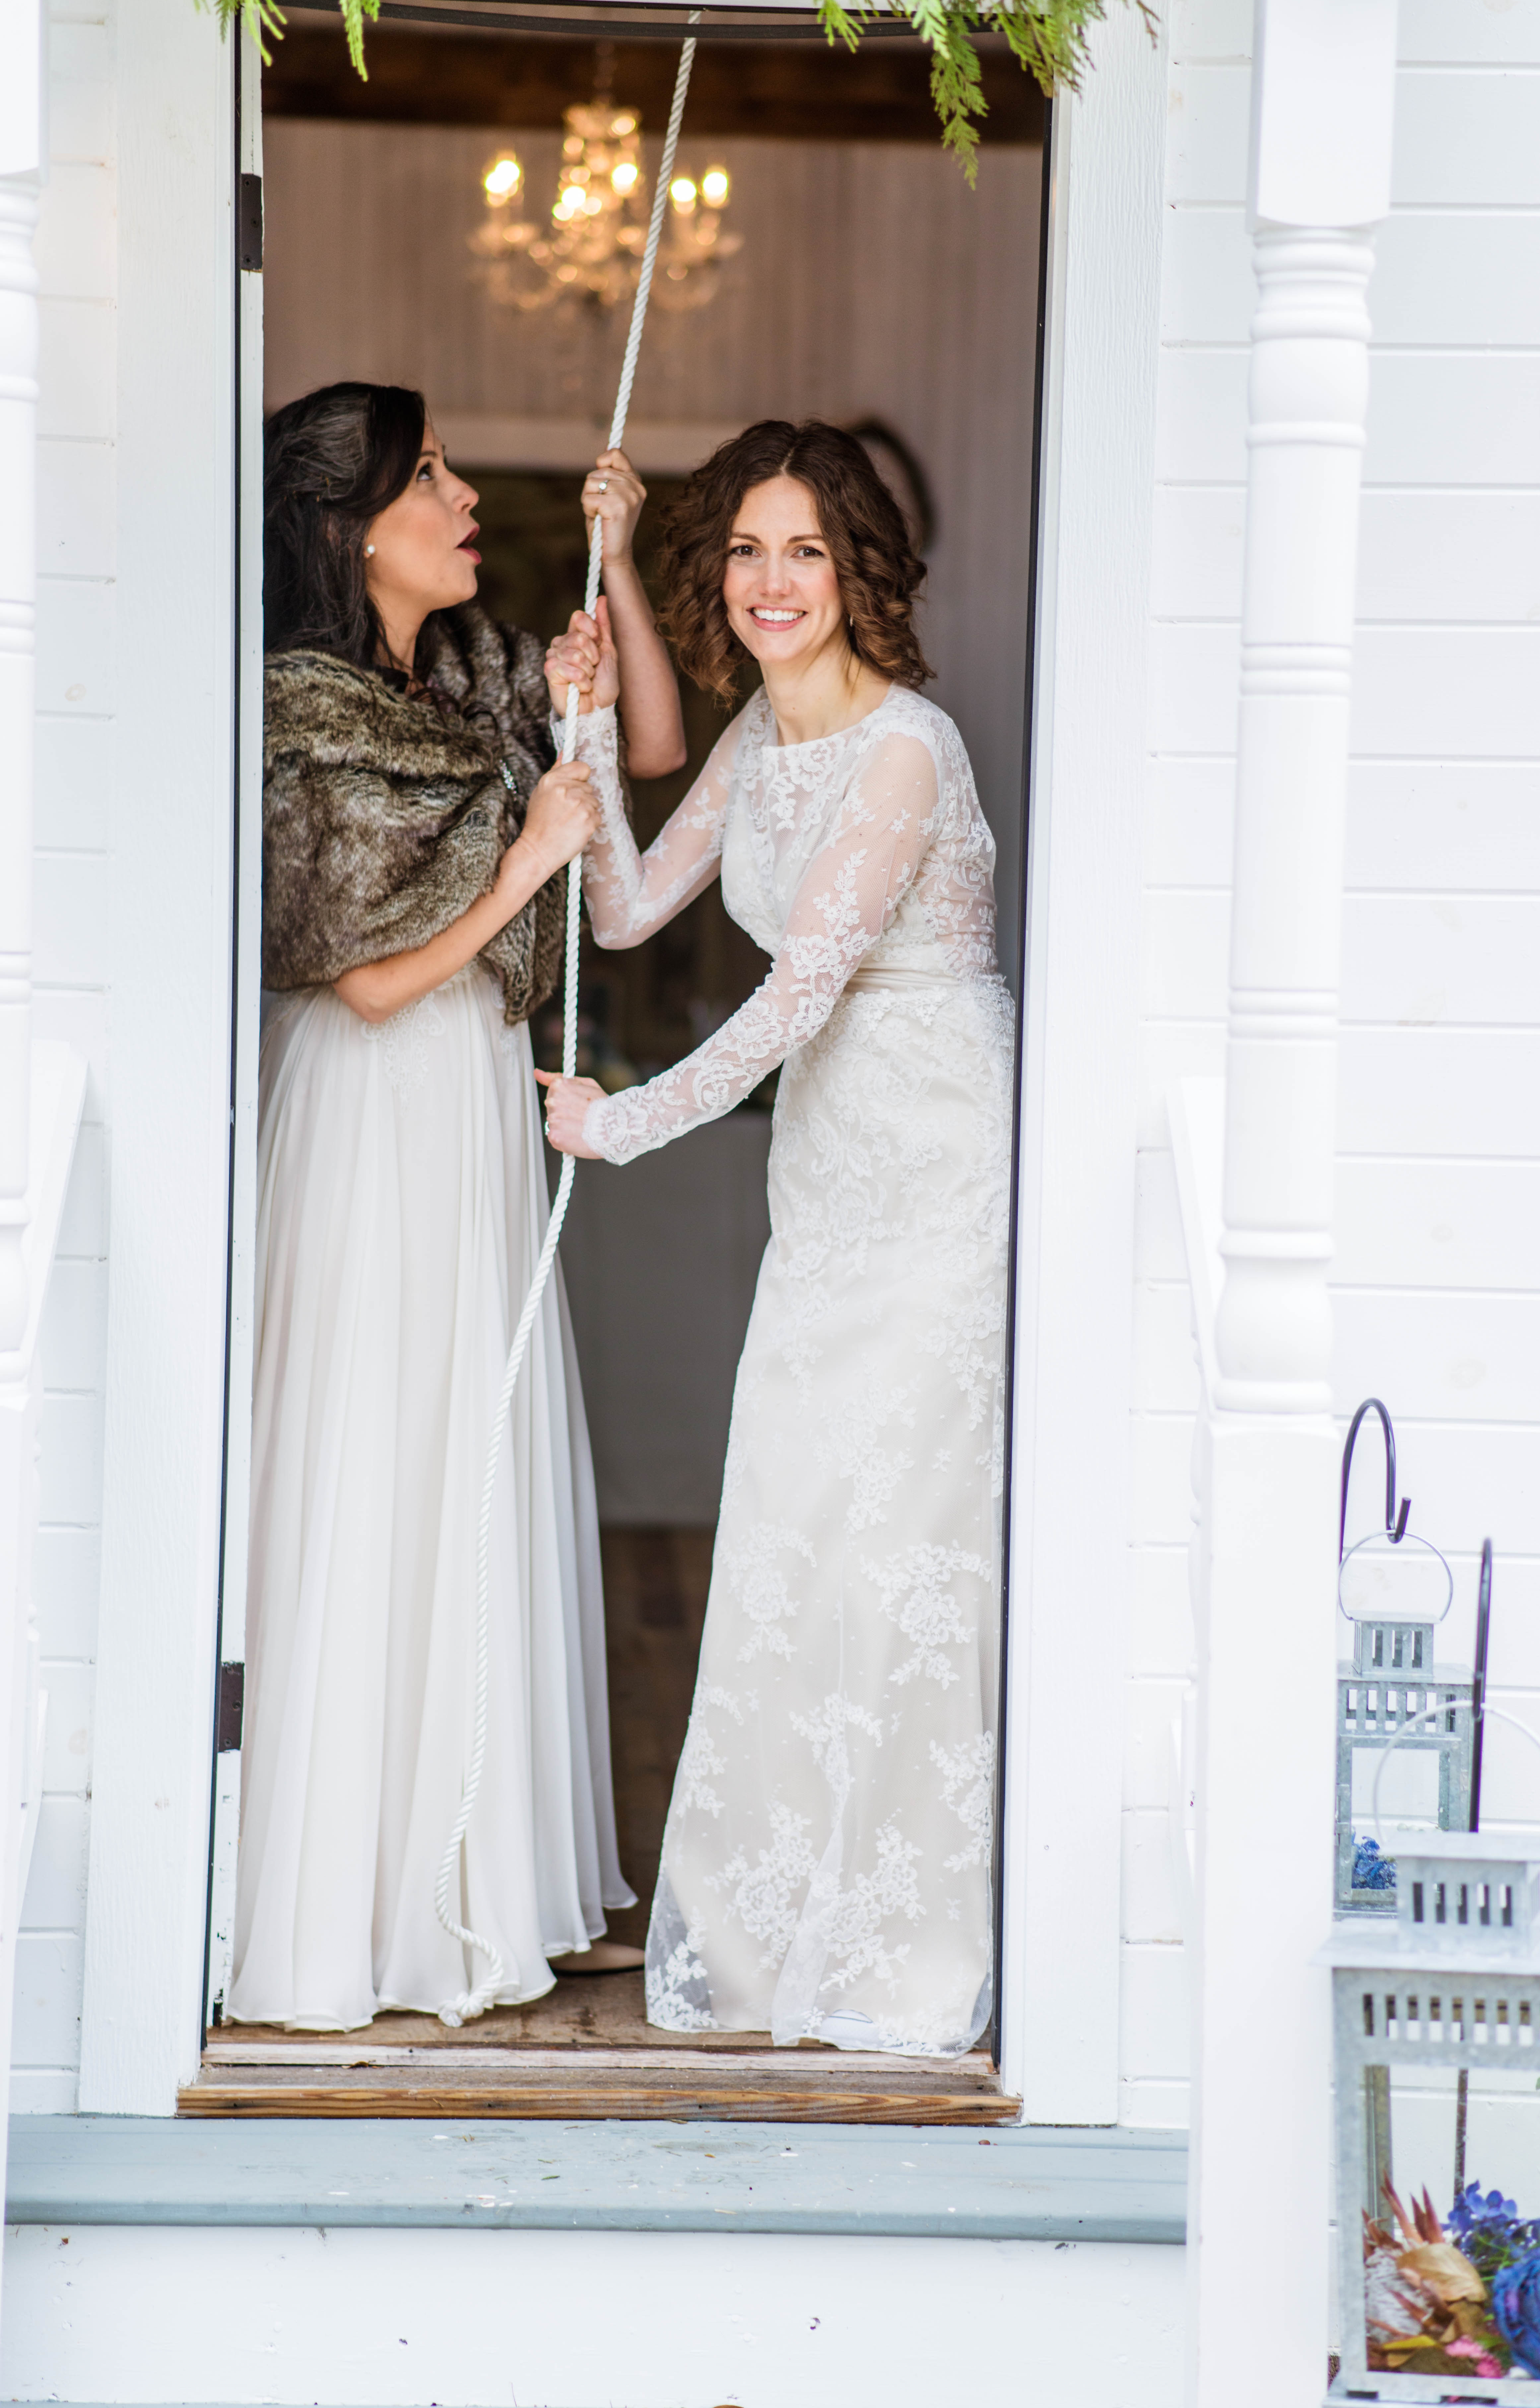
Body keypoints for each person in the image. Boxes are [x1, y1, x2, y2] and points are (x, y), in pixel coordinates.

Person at [543, 420, 1014, 2057]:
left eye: (803, 549)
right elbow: (621, 903)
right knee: (800, 1522)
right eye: (745, 549)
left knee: (903, 1539)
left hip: (938, 1165)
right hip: (826, 1175)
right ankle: (768, 1940)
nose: (769, 581)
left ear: (858, 566)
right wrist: (589, 728)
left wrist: (617, 1122)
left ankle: (893, 1944)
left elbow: (797, 994)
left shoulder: (907, 752)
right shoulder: (755, 734)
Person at [230, 383, 683, 2030]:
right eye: (428, 475)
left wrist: (613, 572)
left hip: (474, 1099)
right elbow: (353, 983)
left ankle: (478, 1873)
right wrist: (527, 861)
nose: (462, 493)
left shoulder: (475, 677)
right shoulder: (299, 709)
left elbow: (641, 745)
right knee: (378, 1445)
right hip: (375, 1109)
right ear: (353, 527)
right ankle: (355, 1896)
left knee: (464, 1452)